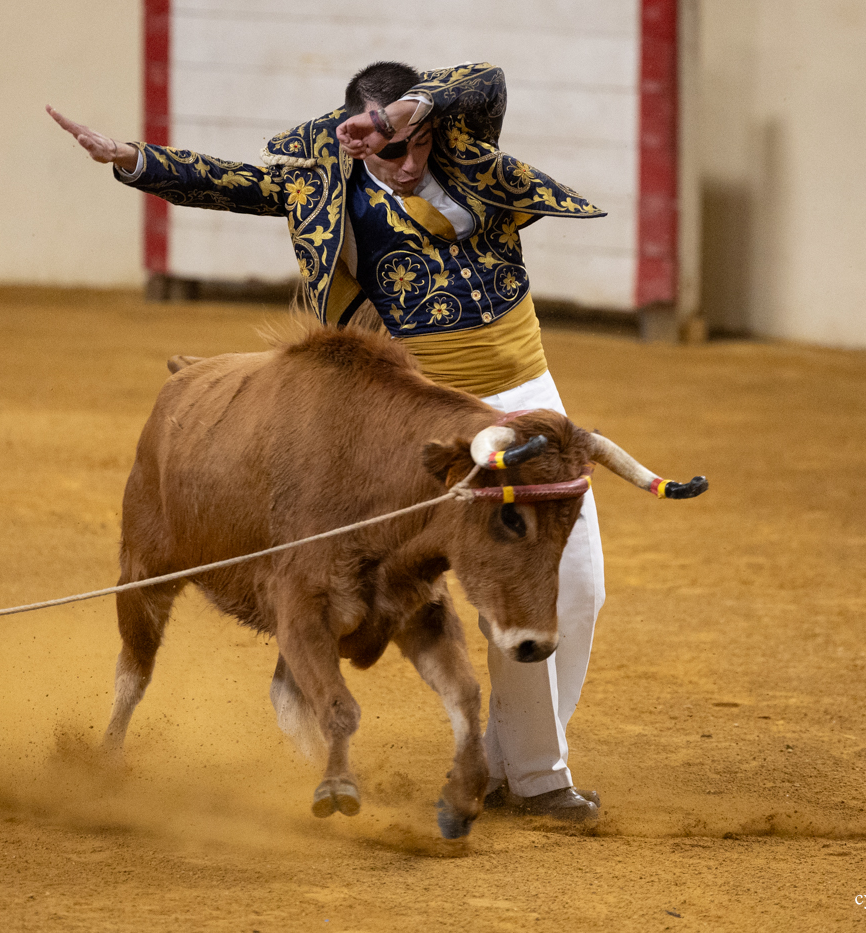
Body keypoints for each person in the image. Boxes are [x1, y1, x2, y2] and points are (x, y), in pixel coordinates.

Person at [48, 60, 606, 821]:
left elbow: (487, 79)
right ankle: (538, 775)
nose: (408, 165)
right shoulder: (325, 186)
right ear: (352, 142)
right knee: (496, 571)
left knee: (578, 587)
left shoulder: (467, 147)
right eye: (388, 152)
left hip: (534, 394)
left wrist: (415, 109)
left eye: (416, 144)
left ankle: (515, 755)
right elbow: (232, 182)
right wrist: (134, 160)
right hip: (432, 411)